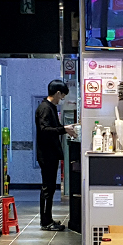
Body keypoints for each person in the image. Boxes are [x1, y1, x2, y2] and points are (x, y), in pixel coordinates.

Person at [35, 79, 75, 231]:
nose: (62, 99)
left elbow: (54, 127)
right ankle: (45, 222)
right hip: (46, 154)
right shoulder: (45, 108)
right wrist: (64, 129)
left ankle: (48, 219)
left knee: (50, 188)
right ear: (58, 93)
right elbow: (44, 130)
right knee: (47, 188)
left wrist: (66, 128)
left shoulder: (50, 107)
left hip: (50, 153)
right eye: (62, 95)